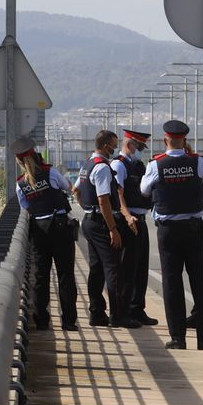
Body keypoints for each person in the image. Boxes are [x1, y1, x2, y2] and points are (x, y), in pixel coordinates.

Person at [141, 119, 203, 350]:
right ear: (184, 140)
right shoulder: (198, 161)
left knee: (172, 283)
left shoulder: (155, 165)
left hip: (169, 231)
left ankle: (178, 337)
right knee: (200, 282)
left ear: (165, 140)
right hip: (195, 228)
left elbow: (144, 190)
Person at [12, 137, 78, 331]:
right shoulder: (51, 172)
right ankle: (68, 321)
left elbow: (26, 207)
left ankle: (41, 320)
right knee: (65, 275)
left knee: (41, 277)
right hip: (61, 229)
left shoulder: (20, 185)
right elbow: (68, 187)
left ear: (19, 162)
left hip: (39, 232)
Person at [76, 130, 140, 328]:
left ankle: (97, 313)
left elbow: (76, 190)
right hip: (102, 223)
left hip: (89, 220)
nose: (114, 148)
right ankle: (118, 316)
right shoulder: (102, 168)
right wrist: (112, 228)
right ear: (105, 146)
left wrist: (86, 208)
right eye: (113, 145)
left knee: (96, 269)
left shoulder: (88, 164)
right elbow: (103, 200)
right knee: (113, 269)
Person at [111, 129, 158, 326]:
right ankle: (124, 311)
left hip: (140, 218)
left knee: (140, 268)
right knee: (127, 269)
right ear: (129, 145)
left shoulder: (138, 165)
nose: (140, 151)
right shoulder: (118, 165)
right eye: (138, 147)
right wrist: (127, 216)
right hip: (127, 221)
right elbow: (118, 194)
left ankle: (138, 308)